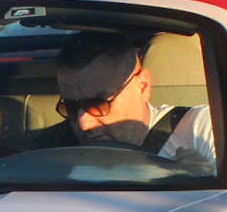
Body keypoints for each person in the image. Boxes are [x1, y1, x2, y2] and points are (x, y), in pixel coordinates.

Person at [42, 32, 217, 170]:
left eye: (98, 104)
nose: (83, 123)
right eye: (71, 107)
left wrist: (204, 180)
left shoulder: (200, 129)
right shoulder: (51, 152)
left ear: (143, 86)